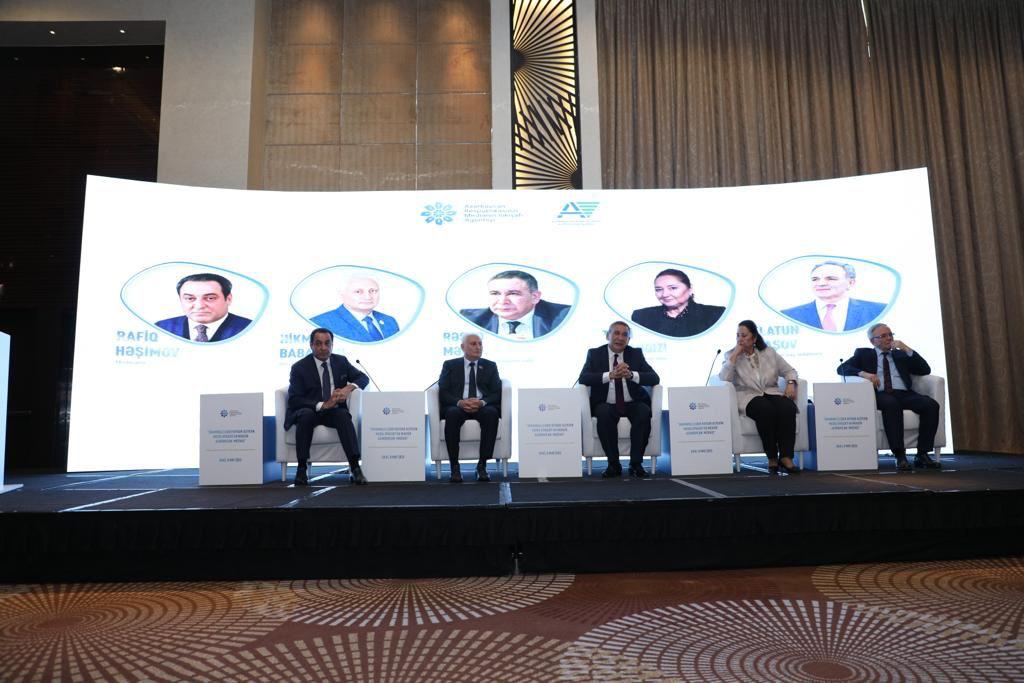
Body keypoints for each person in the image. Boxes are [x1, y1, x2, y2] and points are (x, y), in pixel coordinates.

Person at [837, 323, 940, 471]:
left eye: (890, 334)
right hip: (881, 394)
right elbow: (842, 368)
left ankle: (922, 454)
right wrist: (864, 374)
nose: (889, 338)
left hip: (904, 393)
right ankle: (900, 455)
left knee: (931, 405)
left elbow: (925, 369)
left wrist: (907, 349)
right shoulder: (864, 354)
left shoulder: (900, 354)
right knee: (892, 404)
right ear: (873, 341)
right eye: (883, 336)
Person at [284, 328, 369, 486]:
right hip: (311, 410)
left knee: (343, 415)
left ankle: (355, 467)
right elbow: (295, 399)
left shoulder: (341, 361)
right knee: (305, 416)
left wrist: (348, 388)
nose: (323, 348)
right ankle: (301, 469)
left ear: (332, 345)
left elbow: (363, 378)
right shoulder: (299, 367)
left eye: (327, 343)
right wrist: (322, 405)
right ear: (311, 345)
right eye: (318, 344)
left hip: (333, 411)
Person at [578, 321, 660, 478]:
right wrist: (609, 375)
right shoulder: (595, 354)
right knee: (603, 413)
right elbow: (584, 378)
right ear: (607, 336)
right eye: (616, 333)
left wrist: (631, 375)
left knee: (643, 412)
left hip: (632, 402)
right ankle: (613, 464)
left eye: (625, 335)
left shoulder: (635, 354)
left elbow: (654, 378)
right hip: (606, 403)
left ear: (628, 339)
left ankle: (636, 464)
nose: (620, 338)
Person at [719, 320, 800, 474]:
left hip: (771, 391)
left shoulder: (769, 353)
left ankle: (786, 457)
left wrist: (791, 383)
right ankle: (772, 457)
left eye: (744, 336)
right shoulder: (730, 355)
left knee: (788, 408)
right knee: (766, 410)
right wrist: (735, 355)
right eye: (737, 335)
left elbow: (790, 370)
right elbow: (724, 378)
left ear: (754, 337)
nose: (740, 339)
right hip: (748, 396)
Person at [436, 333, 502, 483]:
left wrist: (482, 402)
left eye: (480, 344)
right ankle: (454, 467)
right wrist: (459, 402)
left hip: (481, 406)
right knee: (452, 414)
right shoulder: (450, 365)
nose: (478, 347)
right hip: (458, 406)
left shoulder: (490, 366)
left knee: (491, 413)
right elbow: (443, 391)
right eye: (473, 344)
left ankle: (482, 465)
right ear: (462, 347)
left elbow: (497, 393)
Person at [459, 269, 570, 340]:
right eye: (495, 293)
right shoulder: (470, 320)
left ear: (535, 297)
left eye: (513, 293)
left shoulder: (564, 317)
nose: (502, 301)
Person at [782, 261, 886, 332]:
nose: (821, 283)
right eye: (815, 279)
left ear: (851, 282)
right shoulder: (788, 315)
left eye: (831, 278)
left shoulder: (879, 310)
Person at [156, 273, 252, 342]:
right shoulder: (161, 328)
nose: (199, 306)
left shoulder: (250, 329)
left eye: (210, 298)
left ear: (228, 299)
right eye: (190, 298)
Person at [630, 268, 726, 337]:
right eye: (659, 289)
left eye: (673, 288)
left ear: (690, 289)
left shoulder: (714, 314)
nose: (665, 294)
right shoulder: (641, 316)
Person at [311, 275, 400, 342]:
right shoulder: (320, 323)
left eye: (373, 291)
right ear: (342, 294)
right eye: (358, 292)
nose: (368, 297)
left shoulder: (389, 321)